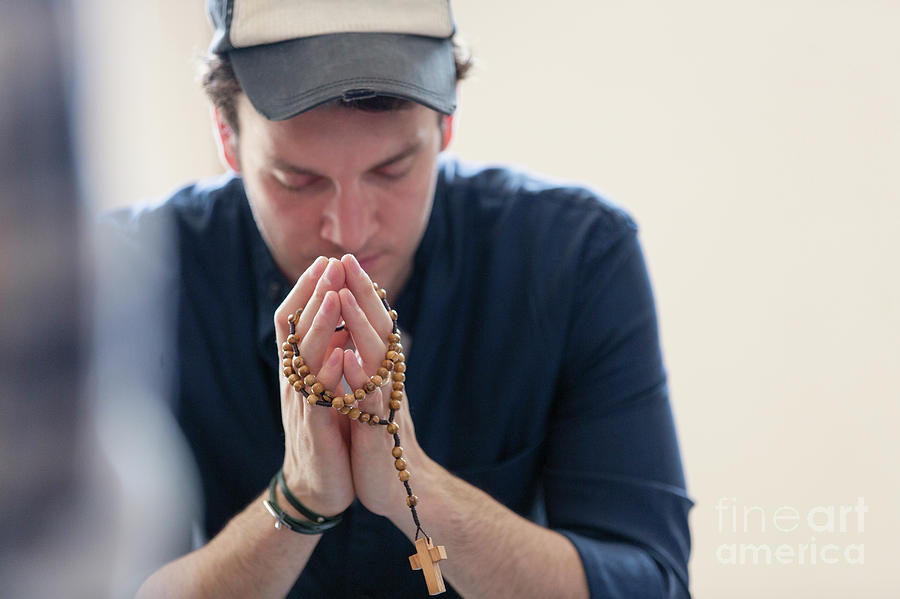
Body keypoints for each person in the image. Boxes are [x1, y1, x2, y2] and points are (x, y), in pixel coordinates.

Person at [106, 1, 693, 597]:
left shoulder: (573, 256)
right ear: (226, 138)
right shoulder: (123, 277)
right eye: (297, 180)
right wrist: (299, 500)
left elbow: (651, 581)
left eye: (393, 170)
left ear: (446, 129)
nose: (350, 230)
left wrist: (422, 490)